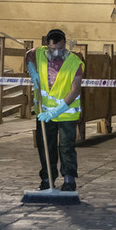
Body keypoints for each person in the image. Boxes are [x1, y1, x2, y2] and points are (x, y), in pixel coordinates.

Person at [26, 29, 84, 191]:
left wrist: (57, 111)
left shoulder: (74, 62)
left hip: (66, 113)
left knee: (66, 147)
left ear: (65, 45)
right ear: (47, 46)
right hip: (44, 113)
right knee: (46, 146)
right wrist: (31, 67)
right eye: (52, 49)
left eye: (59, 48)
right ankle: (47, 179)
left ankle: (69, 179)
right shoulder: (40, 54)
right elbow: (28, 54)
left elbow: (75, 90)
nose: (56, 52)